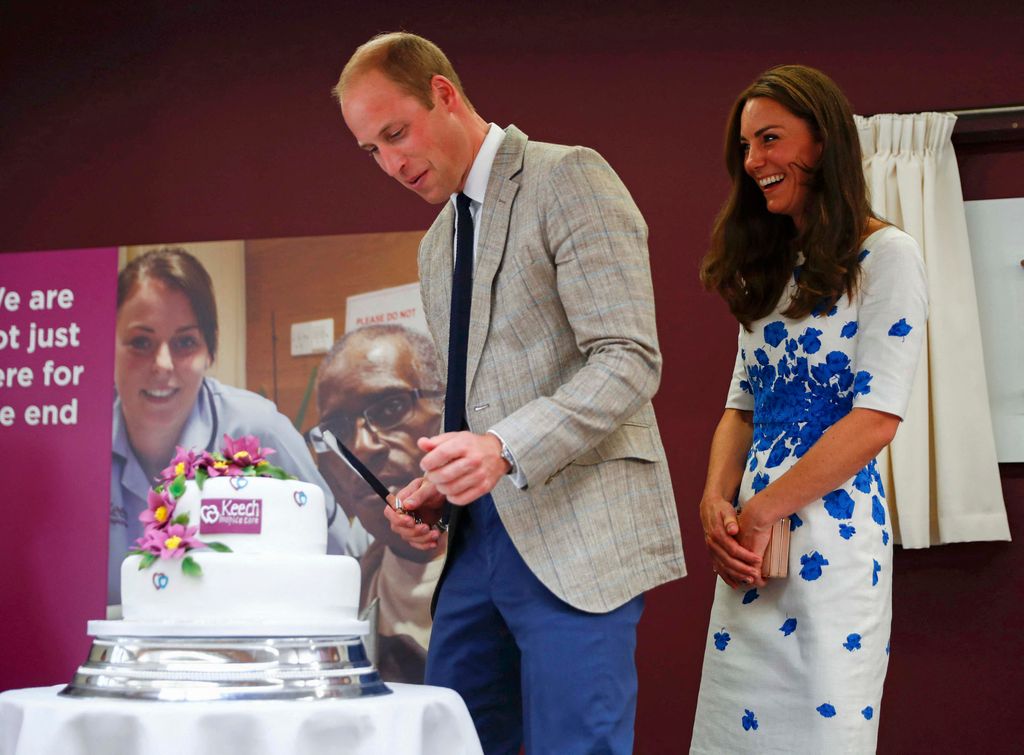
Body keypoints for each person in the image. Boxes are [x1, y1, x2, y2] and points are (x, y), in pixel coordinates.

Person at [334, 32, 686, 755]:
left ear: (443, 93)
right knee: (453, 743)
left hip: (577, 532)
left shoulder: (569, 177)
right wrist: (440, 483)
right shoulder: (436, 245)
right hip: (475, 546)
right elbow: (482, 403)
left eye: (396, 133)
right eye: (372, 151)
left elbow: (628, 357)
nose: (393, 163)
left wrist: (503, 447)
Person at [690, 65, 927, 754]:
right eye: (745, 146)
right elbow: (741, 406)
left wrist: (762, 508)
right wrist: (714, 498)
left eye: (769, 139)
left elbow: (877, 416)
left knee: (822, 731)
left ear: (822, 143)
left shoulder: (888, 256)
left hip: (832, 537)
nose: (754, 161)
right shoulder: (770, 268)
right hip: (749, 547)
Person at [109, 247, 345, 606]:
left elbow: (334, 549)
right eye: (141, 342)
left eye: (185, 342)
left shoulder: (258, 428)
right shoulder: (78, 440)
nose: (162, 364)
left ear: (210, 351)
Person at [311, 324, 445, 683]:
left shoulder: (524, 574)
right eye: (337, 431)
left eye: (391, 407)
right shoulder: (339, 603)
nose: (361, 446)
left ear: (448, 408)